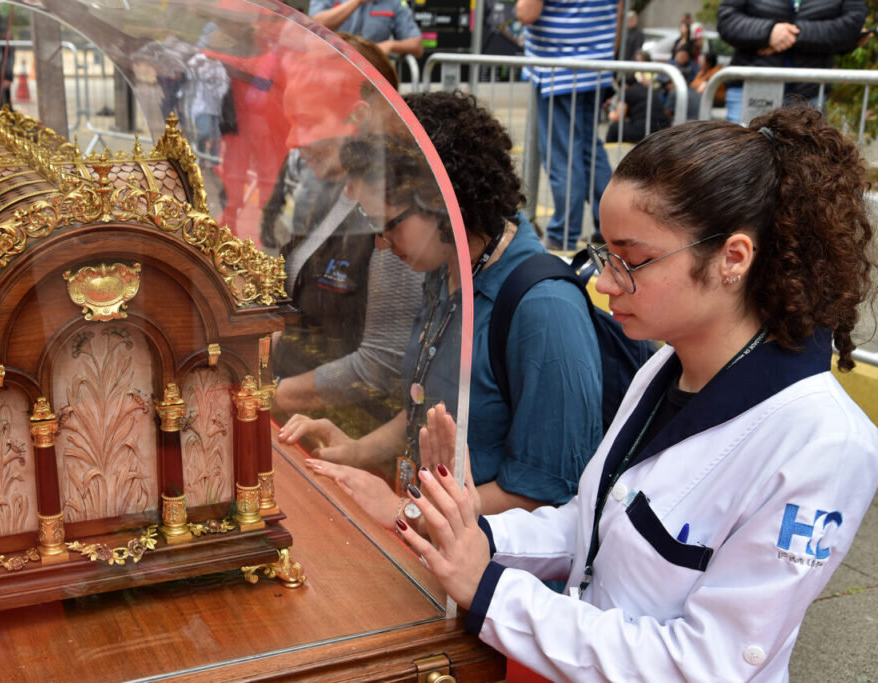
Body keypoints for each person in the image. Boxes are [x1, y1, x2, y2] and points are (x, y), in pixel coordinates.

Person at [394, 105, 878, 680]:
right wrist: (469, 531)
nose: (603, 282)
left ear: (733, 258)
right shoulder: (666, 365)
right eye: (605, 255)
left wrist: (491, 591)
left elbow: (707, 664)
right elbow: (594, 523)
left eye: (633, 260)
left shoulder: (824, 445)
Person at [283, 91, 602, 525]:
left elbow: (545, 493)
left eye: (387, 226)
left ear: (440, 202)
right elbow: (429, 408)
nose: (380, 243)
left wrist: (405, 510)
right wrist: (353, 451)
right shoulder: (446, 268)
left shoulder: (545, 310)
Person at [265, 36, 423, 420]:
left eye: (306, 122)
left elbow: (381, 365)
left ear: (360, 116)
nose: (291, 140)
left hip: (348, 435)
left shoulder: (396, 209)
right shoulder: (331, 187)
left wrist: (267, 396)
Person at [516, 0, 616, 251]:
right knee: (589, 151)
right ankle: (611, 227)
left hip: (558, 69)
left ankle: (563, 234)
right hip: (597, 64)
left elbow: (527, 12)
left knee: (563, 156)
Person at [717, 0, 866, 124]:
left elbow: (852, 24)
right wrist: (768, 32)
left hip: (809, 94)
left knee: (804, 157)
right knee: (742, 154)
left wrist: (791, 35)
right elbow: (727, 19)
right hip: (749, 89)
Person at [308, 0, 423, 58]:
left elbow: (417, 46)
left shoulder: (394, 2)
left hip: (371, 75)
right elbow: (317, 24)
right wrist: (358, 1)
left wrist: (390, 45)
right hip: (330, 67)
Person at [606, 75, 670, 143]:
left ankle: (608, 152)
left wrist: (611, 114)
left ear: (624, 85)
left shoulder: (626, 92)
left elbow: (618, 117)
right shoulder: (648, 89)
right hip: (663, 128)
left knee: (614, 128)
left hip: (644, 130)